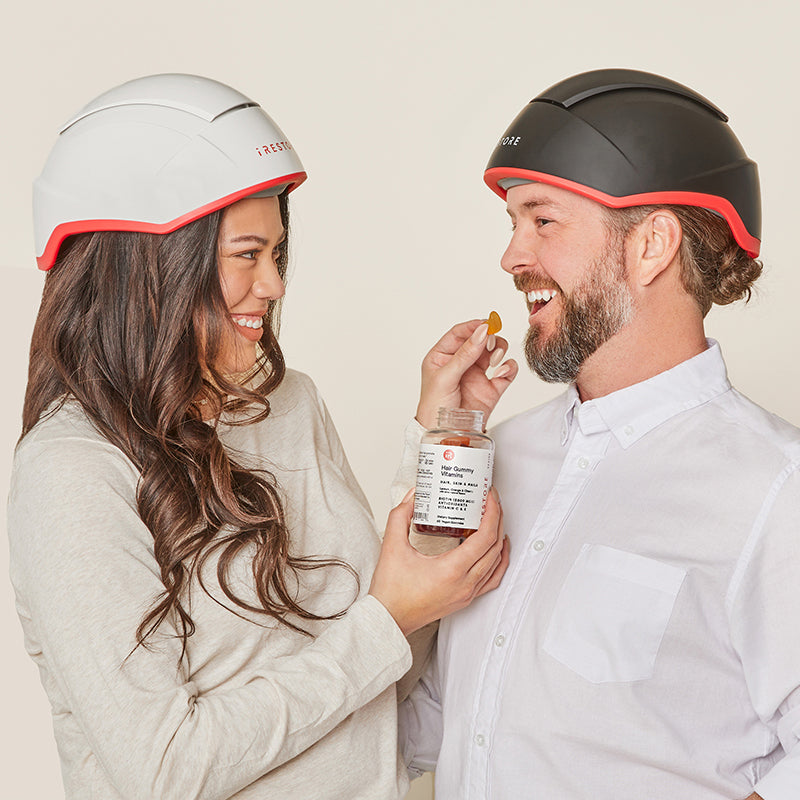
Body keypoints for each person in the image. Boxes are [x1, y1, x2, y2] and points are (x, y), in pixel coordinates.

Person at [6, 73, 513, 800]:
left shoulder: (289, 405)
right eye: (247, 254)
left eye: (276, 254)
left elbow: (387, 676)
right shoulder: (72, 471)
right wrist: (384, 620)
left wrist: (439, 440)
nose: (274, 285)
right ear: (152, 265)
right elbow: (163, 770)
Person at [397, 69, 800, 800]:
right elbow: (421, 729)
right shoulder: (499, 456)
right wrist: (434, 451)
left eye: (543, 221)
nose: (512, 257)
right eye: (513, 224)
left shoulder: (776, 489)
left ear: (651, 245)